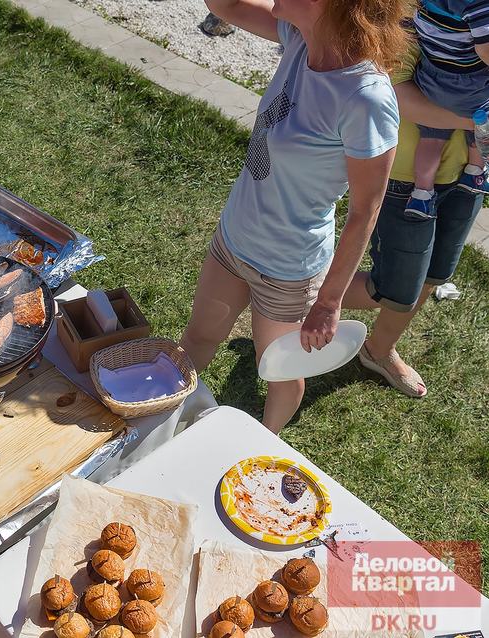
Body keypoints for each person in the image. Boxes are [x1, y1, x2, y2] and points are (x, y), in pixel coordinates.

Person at [181, 0, 406, 433]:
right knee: (197, 340)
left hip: (288, 270)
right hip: (233, 239)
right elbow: (223, 5)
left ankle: (261, 448)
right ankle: (160, 420)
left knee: (280, 375)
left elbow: (365, 211)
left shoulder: (365, 98)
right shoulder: (299, 39)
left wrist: (328, 302)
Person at [343, 41, 485, 398]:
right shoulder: (406, 11)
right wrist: (477, 120)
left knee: (435, 272)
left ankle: (378, 350)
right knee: (391, 287)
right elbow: (395, 92)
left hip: (468, 171)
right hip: (406, 174)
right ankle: (285, 293)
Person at [404, 0, 489, 219]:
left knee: (431, 138)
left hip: (430, 79)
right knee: (480, 124)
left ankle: (421, 195)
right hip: (469, 83)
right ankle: (475, 174)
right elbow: (485, 50)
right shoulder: (477, 3)